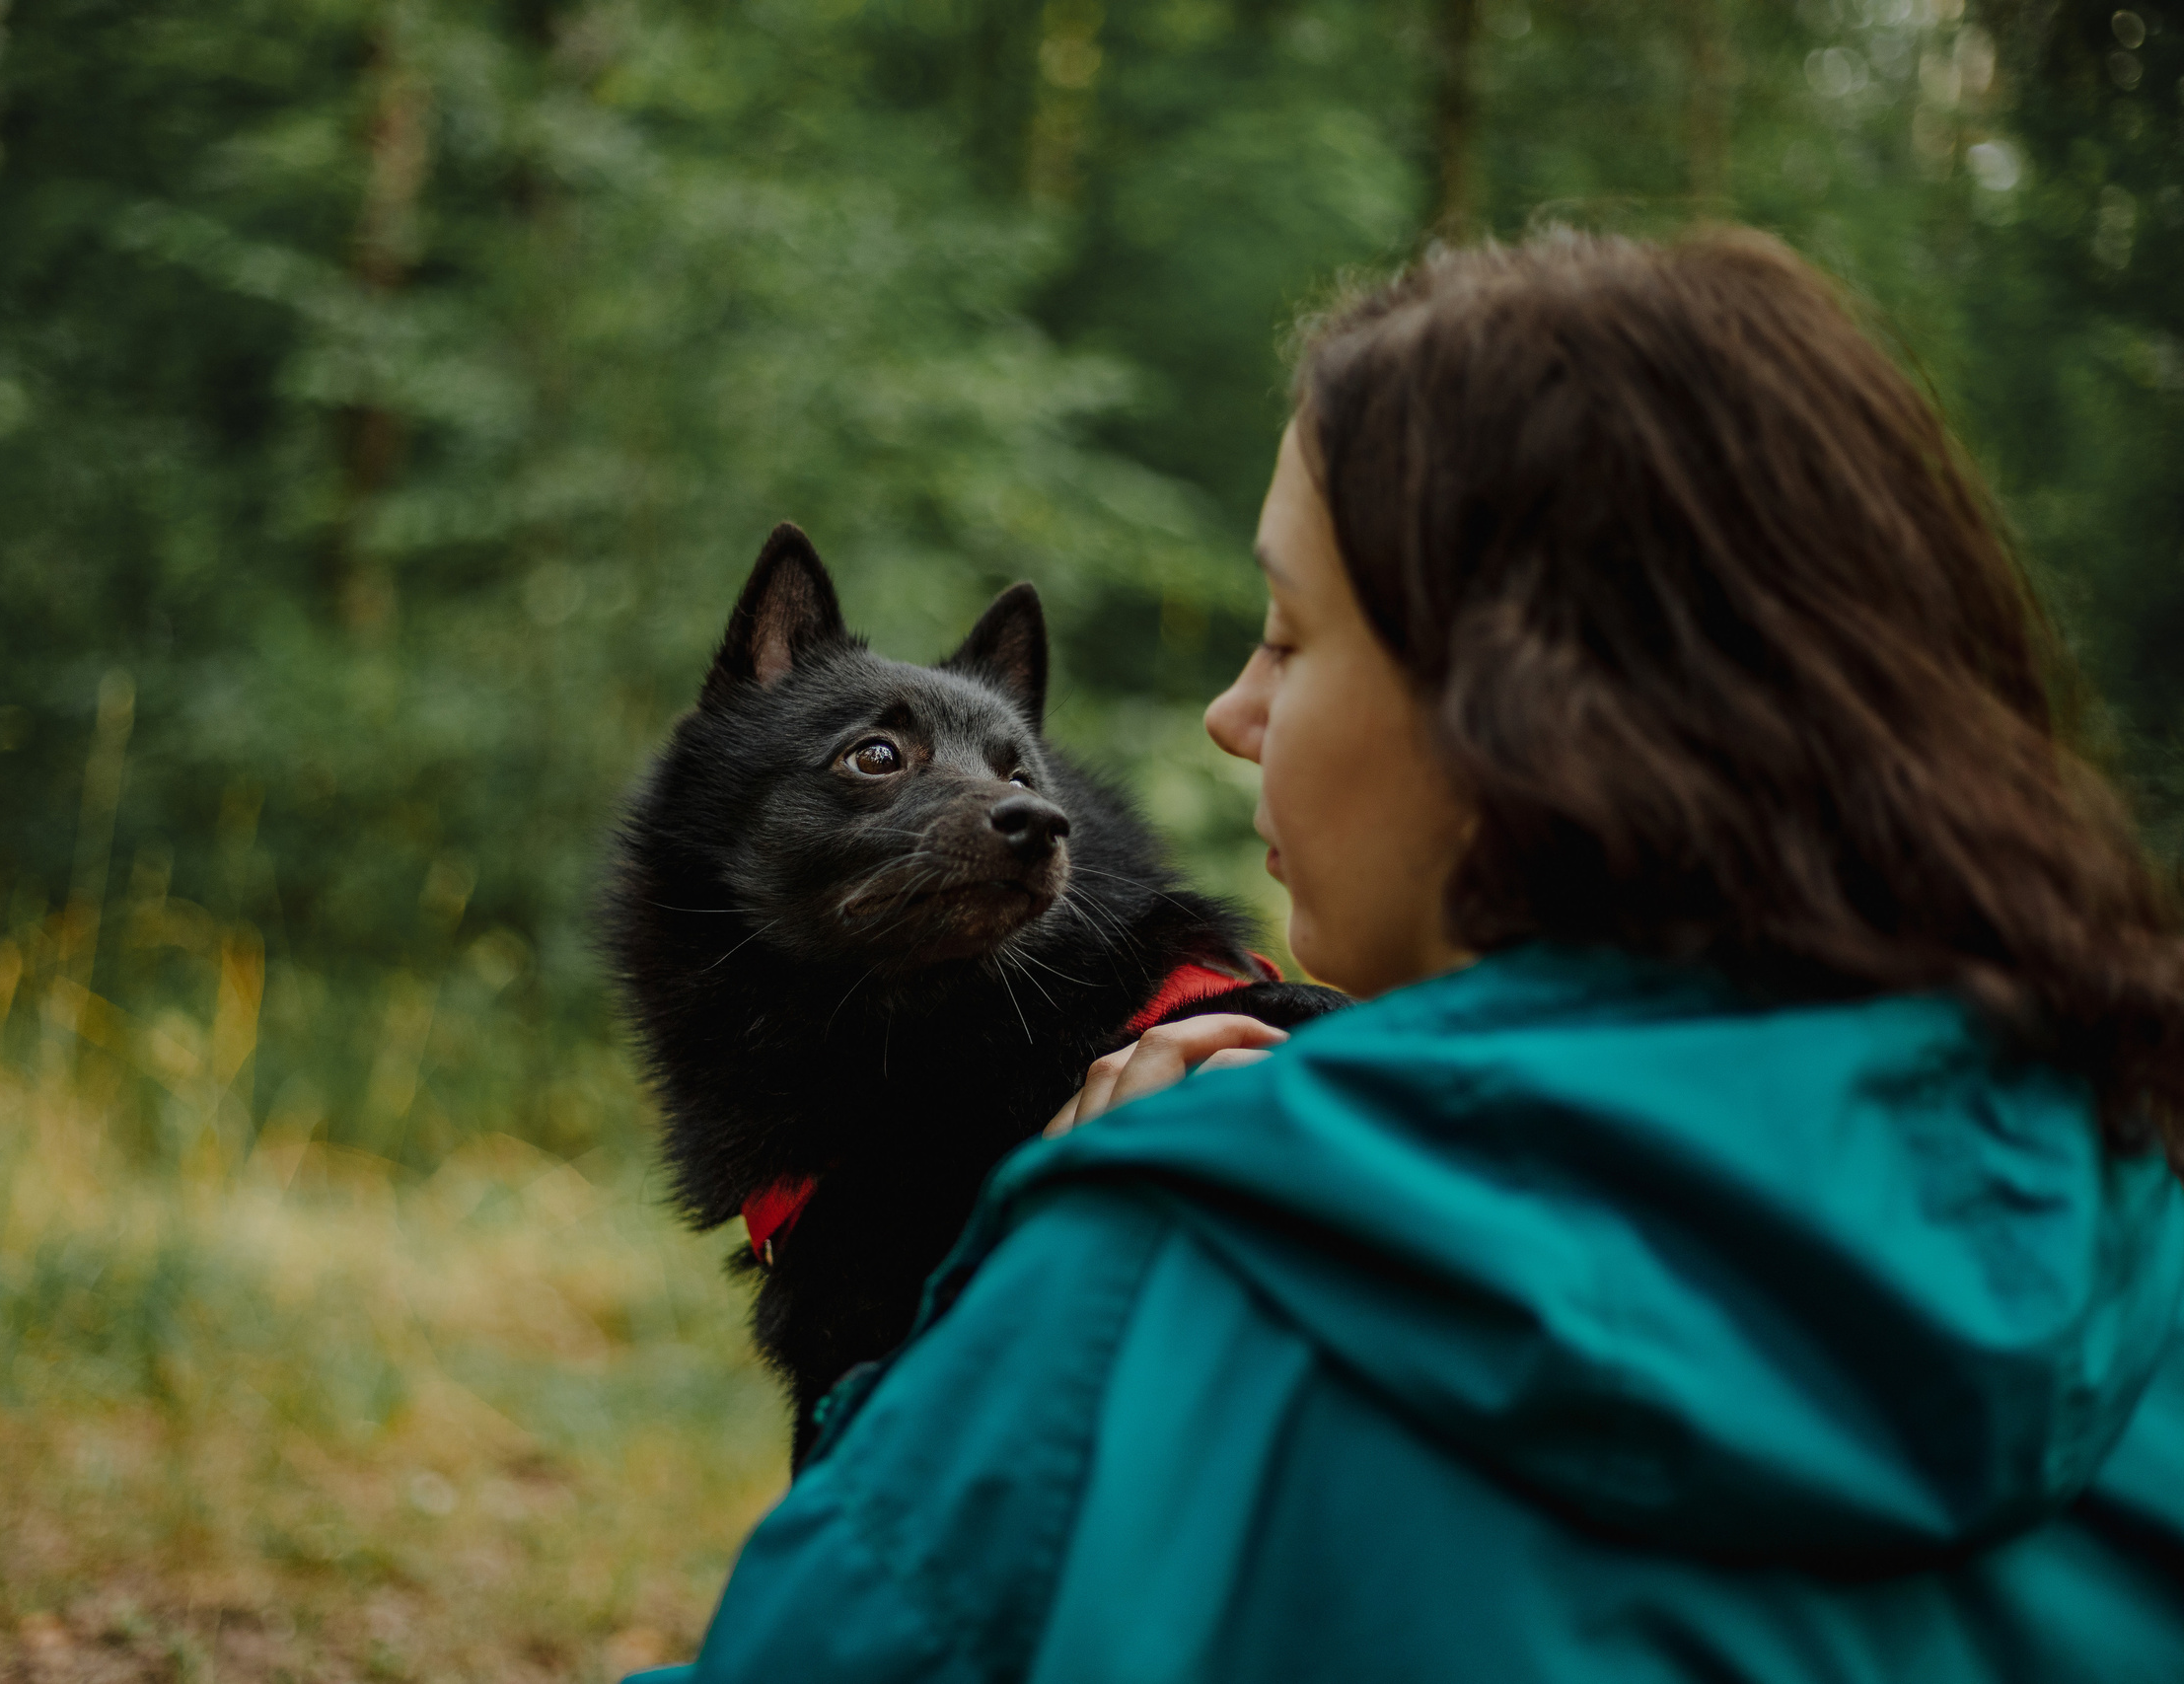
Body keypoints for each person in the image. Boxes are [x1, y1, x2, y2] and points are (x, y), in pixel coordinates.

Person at [633, 229, 2184, 1683]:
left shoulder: (1167, 1283)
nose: (1230, 717)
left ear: (1526, 717)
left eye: (1290, 636)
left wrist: (997, 1309)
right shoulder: (2137, 1206)